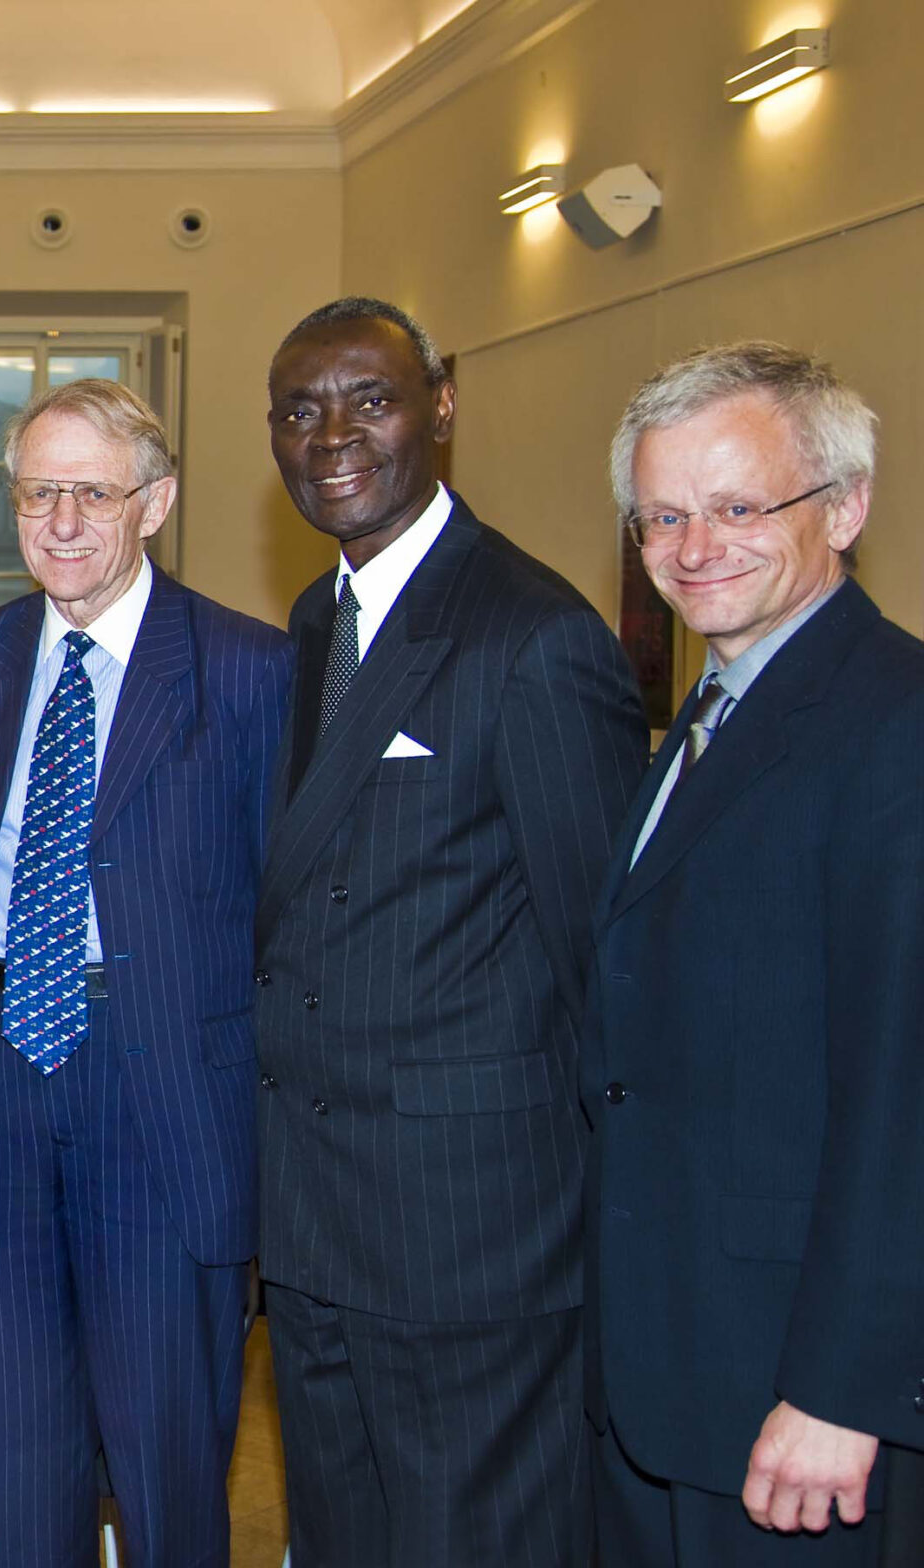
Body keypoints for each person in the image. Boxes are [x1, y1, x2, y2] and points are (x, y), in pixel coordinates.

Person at [255, 297, 646, 1566]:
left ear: (442, 403)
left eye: (368, 399)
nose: (332, 436)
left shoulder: (533, 636)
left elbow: (608, 960)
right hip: (315, 1225)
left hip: (471, 1238)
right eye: (300, 409)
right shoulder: (318, 626)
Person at [0, 380, 290, 1567]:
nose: (63, 520)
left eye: (94, 491)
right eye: (38, 491)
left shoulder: (248, 674)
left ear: (158, 502)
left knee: (167, 1459)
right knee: (16, 1453)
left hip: (162, 1096)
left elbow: (293, 914)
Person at [587, 342, 924, 1564]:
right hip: (664, 1373)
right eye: (663, 515)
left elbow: (906, 1093)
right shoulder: (707, 714)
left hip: (800, 1404)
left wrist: (845, 1388)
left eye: (738, 506)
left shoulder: (896, 726)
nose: (693, 545)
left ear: (844, 506)